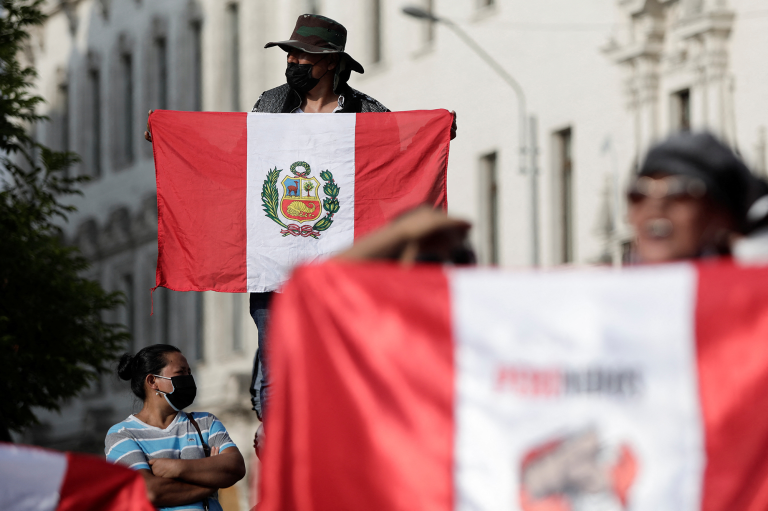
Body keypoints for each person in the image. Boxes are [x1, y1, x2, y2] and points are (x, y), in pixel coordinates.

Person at [247, 13, 457, 446]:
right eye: (289, 54)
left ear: (329, 62)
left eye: (300, 54)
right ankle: (283, 448)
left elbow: (398, 172)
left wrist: (434, 135)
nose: (291, 61)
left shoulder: (370, 113)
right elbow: (240, 160)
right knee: (276, 365)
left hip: (347, 269)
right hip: (277, 265)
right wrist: (174, 139)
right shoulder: (269, 104)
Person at [105, 344, 245, 511]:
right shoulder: (122, 434)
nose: (188, 378)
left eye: (189, 372)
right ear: (152, 381)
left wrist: (174, 468)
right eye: (180, 373)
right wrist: (211, 481)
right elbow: (150, 491)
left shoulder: (205, 422)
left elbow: (235, 467)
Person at [626, 131, 757, 263]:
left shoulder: (756, 281)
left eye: (679, 192)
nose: (655, 204)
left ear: (722, 217)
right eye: (638, 193)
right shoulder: (612, 282)